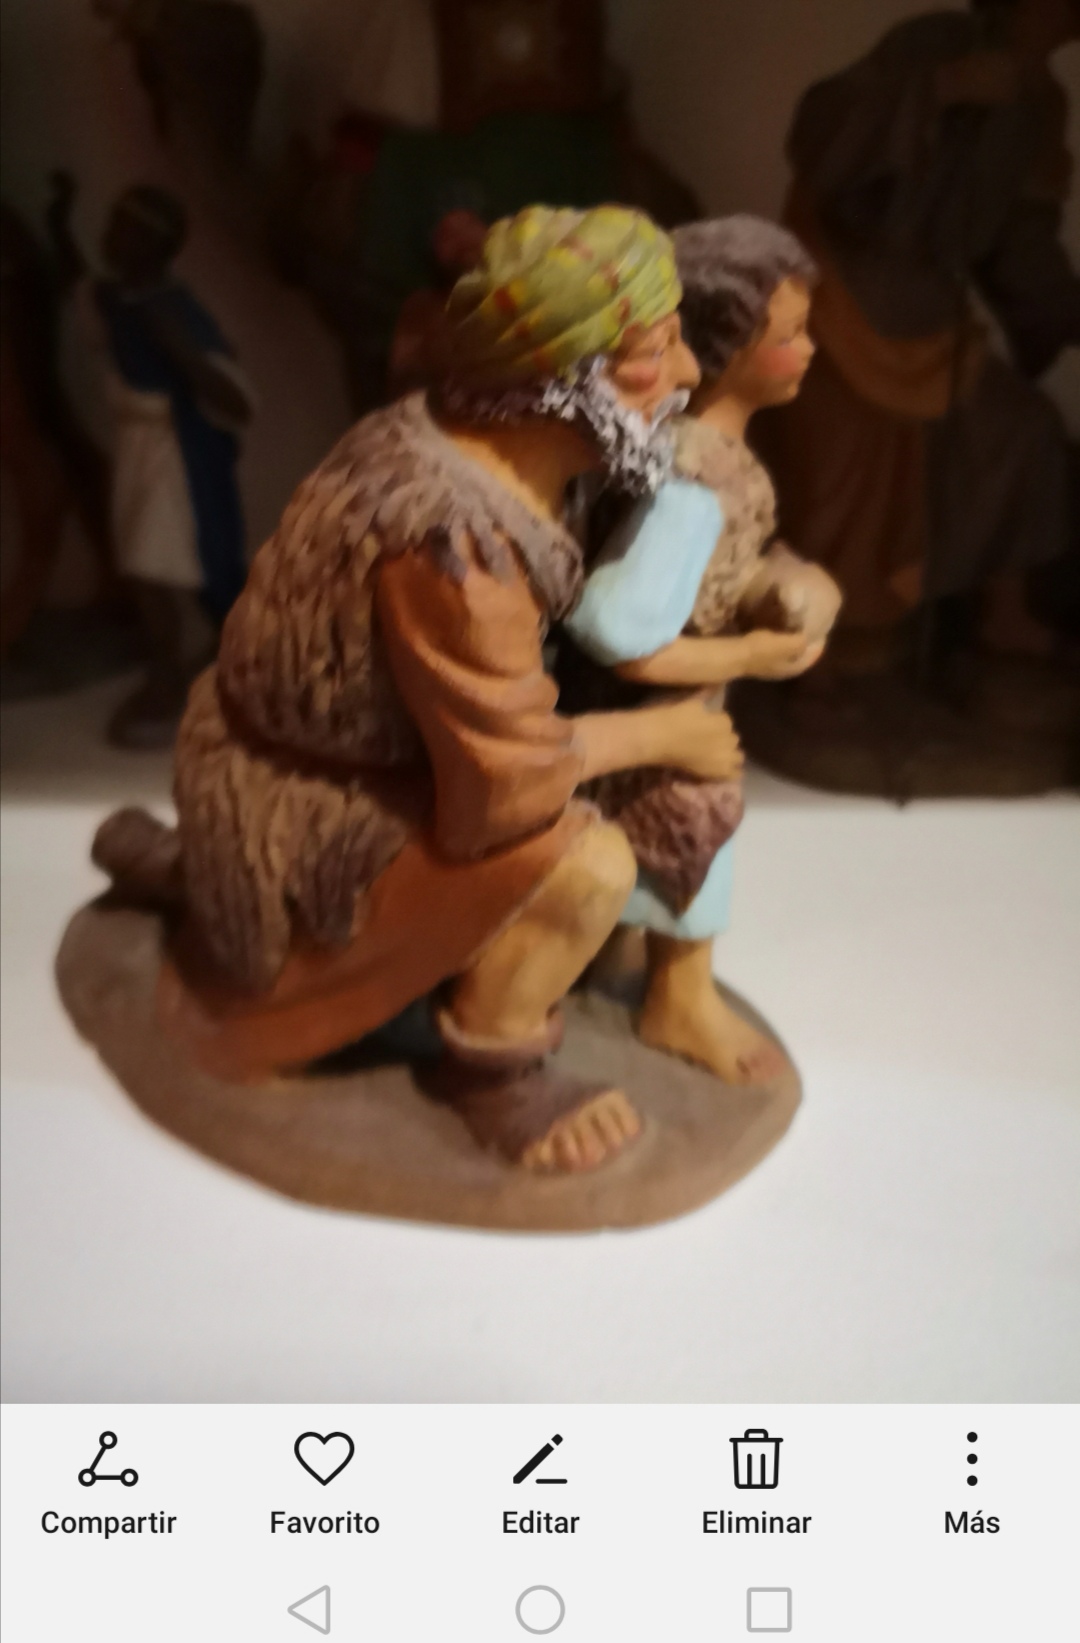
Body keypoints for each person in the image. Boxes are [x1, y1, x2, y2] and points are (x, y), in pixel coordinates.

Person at [92, 204, 745, 1176]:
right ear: (558, 382)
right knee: (587, 862)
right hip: (305, 801)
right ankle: (497, 1072)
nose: (689, 371)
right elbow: (504, 793)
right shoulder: (457, 549)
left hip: (391, 756)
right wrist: (662, 740)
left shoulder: (495, 449)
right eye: (654, 352)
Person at [559, 216, 840, 1083]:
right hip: (648, 721)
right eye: (789, 334)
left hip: (677, 710)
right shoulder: (689, 482)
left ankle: (607, 964)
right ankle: (677, 1001)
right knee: (694, 838)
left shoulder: (720, 461)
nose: (810, 350)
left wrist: (775, 585)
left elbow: (724, 567)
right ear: (728, 347)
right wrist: (749, 656)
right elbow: (620, 633)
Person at [758, 0, 1080, 662]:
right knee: (842, 467)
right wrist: (938, 89)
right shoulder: (933, 43)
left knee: (1022, 433)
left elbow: (1019, 243)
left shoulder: (1042, 105)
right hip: (837, 295)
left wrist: (1062, 310)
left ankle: (1005, 615)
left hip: (928, 316)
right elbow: (820, 133)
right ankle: (821, 651)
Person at [57, 181, 254, 747]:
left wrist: (183, 353)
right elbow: (85, 292)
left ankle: (175, 676)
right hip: (139, 451)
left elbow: (236, 398)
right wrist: (59, 226)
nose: (109, 237)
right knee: (148, 566)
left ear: (153, 244)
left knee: (159, 570)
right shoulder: (120, 297)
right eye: (111, 225)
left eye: (124, 229)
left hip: (175, 454)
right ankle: (200, 663)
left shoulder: (173, 309)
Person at [387, 209, 489, 397]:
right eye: (447, 234)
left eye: (469, 224)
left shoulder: (521, 287)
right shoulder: (421, 308)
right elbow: (404, 379)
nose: (462, 237)